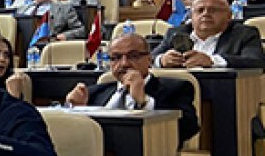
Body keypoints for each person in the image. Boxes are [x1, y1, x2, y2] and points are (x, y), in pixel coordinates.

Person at [66, 34, 199, 143]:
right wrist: (76, 109)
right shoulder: (94, 93)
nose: (124, 63)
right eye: (116, 58)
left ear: (149, 59)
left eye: (133, 56)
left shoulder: (176, 88)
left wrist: (144, 102)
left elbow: (189, 129)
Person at [153, 0, 265, 68]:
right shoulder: (176, 32)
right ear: (191, 16)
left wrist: (212, 61)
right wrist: (161, 60)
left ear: (229, 16)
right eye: (200, 10)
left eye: (213, 10)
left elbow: (255, 61)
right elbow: (150, 58)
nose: (205, 14)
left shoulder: (244, 34)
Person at [20, 0, 85, 41]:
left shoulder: (64, 8)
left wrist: (65, 35)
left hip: (50, 43)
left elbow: (81, 30)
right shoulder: (22, 9)